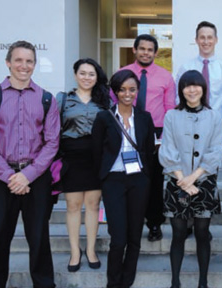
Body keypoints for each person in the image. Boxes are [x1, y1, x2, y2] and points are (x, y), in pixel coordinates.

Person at [0, 40, 59, 287]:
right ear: (8, 63)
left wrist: (28, 175)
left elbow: (52, 143)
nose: (24, 66)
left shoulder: (46, 99)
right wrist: (10, 176)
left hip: (36, 179)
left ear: (35, 64)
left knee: (39, 239)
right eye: (19, 60)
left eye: (29, 61)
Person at [159, 70, 222, 288]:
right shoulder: (171, 116)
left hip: (204, 182)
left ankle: (202, 282)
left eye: (196, 85)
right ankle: (175, 282)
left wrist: (194, 178)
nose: (192, 90)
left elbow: (216, 150)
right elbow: (167, 148)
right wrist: (182, 179)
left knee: (202, 232)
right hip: (176, 181)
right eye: (187, 85)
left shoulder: (214, 116)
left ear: (203, 89)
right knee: (177, 233)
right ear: (181, 90)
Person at [92, 69, 155, 288]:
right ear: (115, 91)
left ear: (137, 91)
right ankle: (113, 282)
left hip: (139, 181)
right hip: (113, 181)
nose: (127, 94)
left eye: (131, 89)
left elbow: (148, 151)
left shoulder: (145, 118)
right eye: (122, 89)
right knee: (118, 238)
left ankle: (127, 281)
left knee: (135, 237)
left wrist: (147, 177)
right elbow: (96, 151)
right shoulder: (103, 118)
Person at [120, 34, 176, 242]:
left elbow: (170, 108)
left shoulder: (166, 77)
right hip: (128, 129)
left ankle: (154, 223)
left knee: (154, 181)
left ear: (155, 52)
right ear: (134, 50)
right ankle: (129, 223)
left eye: (150, 49)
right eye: (142, 48)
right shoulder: (122, 73)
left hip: (156, 132)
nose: (146, 52)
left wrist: (168, 138)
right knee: (129, 178)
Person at [57, 58, 111, 272]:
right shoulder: (63, 100)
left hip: (96, 157)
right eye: (83, 73)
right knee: (72, 205)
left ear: (96, 77)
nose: (87, 77)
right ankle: (75, 252)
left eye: (91, 74)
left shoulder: (104, 101)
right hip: (71, 157)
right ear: (75, 74)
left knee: (93, 205)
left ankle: (90, 250)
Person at [176, 21, 222, 138]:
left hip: (216, 126)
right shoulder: (185, 68)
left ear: (216, 40)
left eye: (209, 37)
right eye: (202, 37)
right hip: (190, 126)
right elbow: (178, 98)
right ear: (196, 40)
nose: (206, 42)